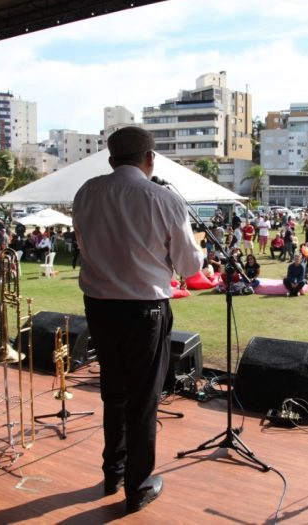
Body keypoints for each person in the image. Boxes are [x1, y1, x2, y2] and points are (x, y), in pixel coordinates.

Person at [73, 127, 202, 514]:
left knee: (113, 392)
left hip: (99, 306)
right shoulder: (163, 198)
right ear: (150, 158)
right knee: (143, 400)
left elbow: (84, 244)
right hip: (144, 309)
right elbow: (189, 266)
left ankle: (113, 472)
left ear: (111, 160)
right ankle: (138, 485)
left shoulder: (86, 193)